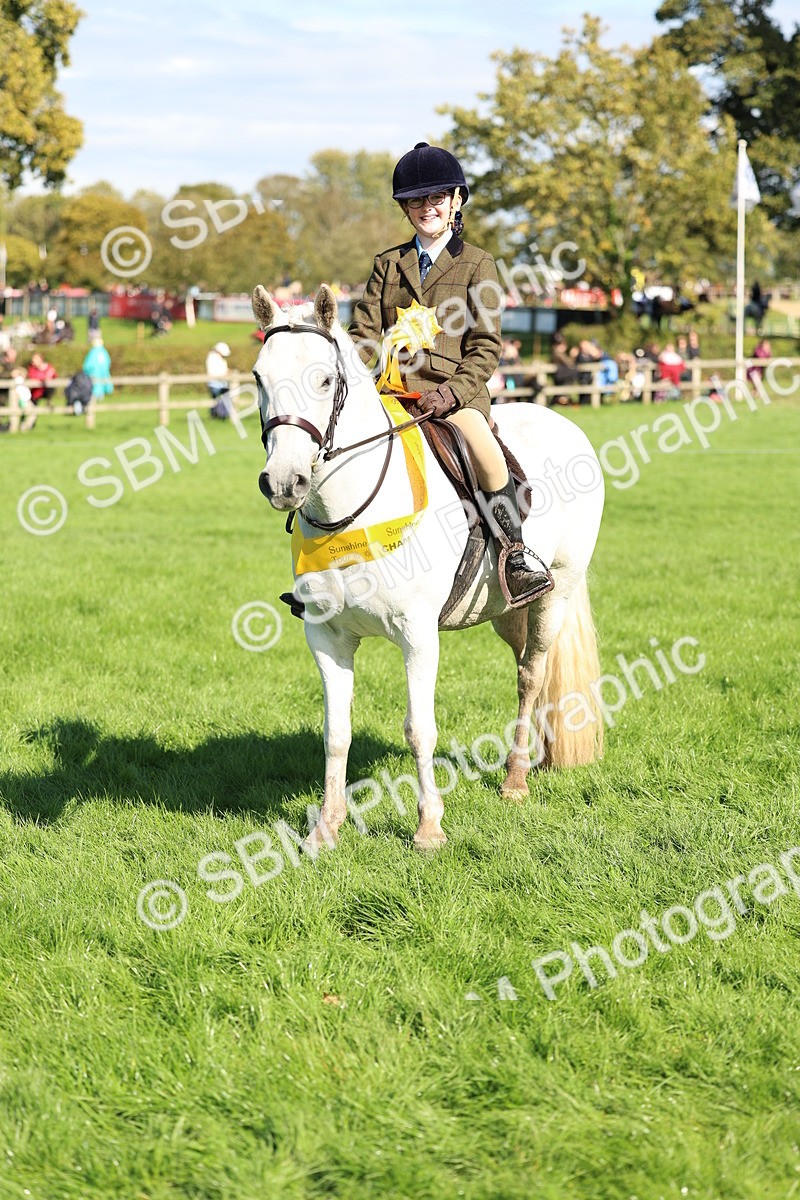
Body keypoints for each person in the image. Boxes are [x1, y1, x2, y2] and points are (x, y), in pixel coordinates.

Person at [348, 141, 552, 604]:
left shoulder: (478, 264)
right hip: (390, 392)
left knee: (482, 446)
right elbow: (362, 335)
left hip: (452, 396)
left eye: (436, 198)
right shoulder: (387, 264)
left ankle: (516, 553)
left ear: (455, 201)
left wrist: (453, 394)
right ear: (405, 208)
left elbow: (485, 347)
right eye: (417, 201)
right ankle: (330, 573)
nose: (427, 208)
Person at [82, 335, 114, 403]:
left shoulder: (93, 352)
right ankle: (101, 397)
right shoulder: (104, 351)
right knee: (101, 384)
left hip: (94, 373)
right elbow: (108, 362)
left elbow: (88, 364)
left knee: (95, 386)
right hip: (104, 372)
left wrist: (86, 370)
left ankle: (95, 399)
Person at [206, 342, 232, 418]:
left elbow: (224, 369)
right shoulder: (212, 357)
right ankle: (215, 416)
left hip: (223, 383)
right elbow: (213, 371)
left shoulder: (221, 359)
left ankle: (223, 415)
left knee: (224, 399)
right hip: (215, 383)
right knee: (215, 400)